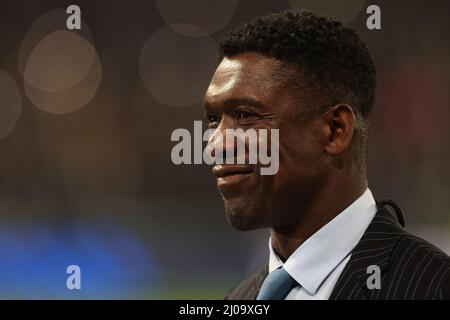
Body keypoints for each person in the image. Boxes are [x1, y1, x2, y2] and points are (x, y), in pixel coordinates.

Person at [202, 10, 450, 300]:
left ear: (335, 130)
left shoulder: (433, 286)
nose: (215, 146)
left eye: (245, 116)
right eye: (212, 119)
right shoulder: (238, 299)